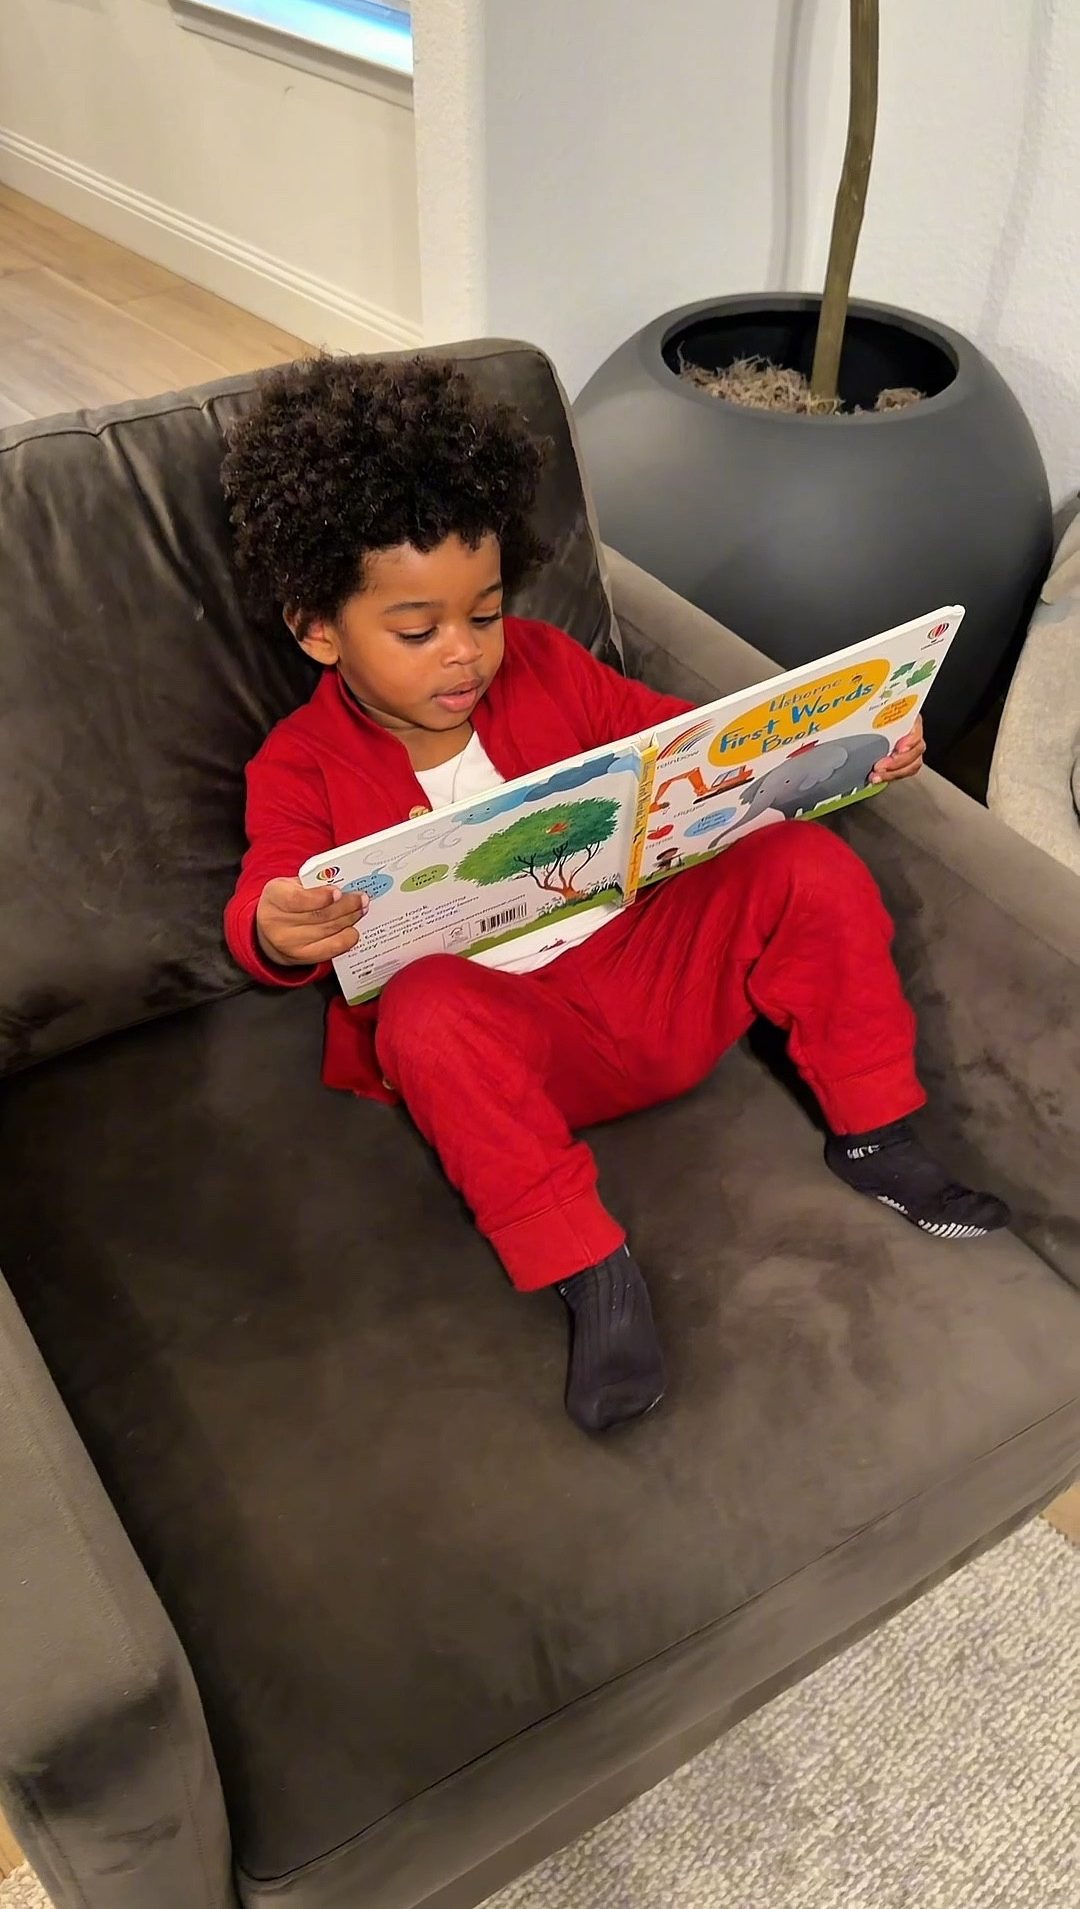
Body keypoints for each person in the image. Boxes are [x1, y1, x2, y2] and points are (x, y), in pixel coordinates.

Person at [222, 355, 1009, 1435]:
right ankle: (589, 1270)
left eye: (485, 615)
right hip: (528, 1052)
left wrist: (853, 746)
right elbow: (265, 900)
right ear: (319, 629)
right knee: (423, 1012)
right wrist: (278, 927)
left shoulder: (548, 666)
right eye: (417, 632)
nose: (464, 656)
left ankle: (876, 1134)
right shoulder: (298, 766)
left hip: (652, 973)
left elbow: (691, 749)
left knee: (805, 865)